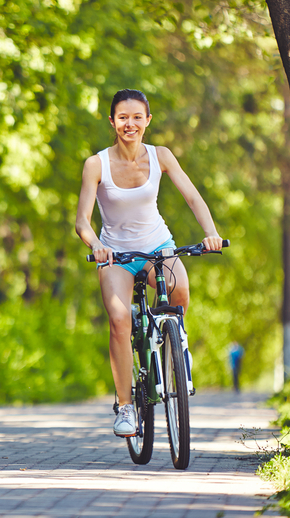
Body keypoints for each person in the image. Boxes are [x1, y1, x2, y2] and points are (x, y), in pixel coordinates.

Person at [75, 89, 223, 437]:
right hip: (116, 254)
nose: (130, 124)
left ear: (147, 121)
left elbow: (191, 196)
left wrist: (211, 233)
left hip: (157, 246)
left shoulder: (161, 156)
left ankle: (176, 346)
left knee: (179, 290)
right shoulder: (96, 164)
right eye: (123, 117)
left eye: (137, 117)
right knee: (119, 318)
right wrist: (96, 244)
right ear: (112, 121)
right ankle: (125, 406)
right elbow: (82, 219)